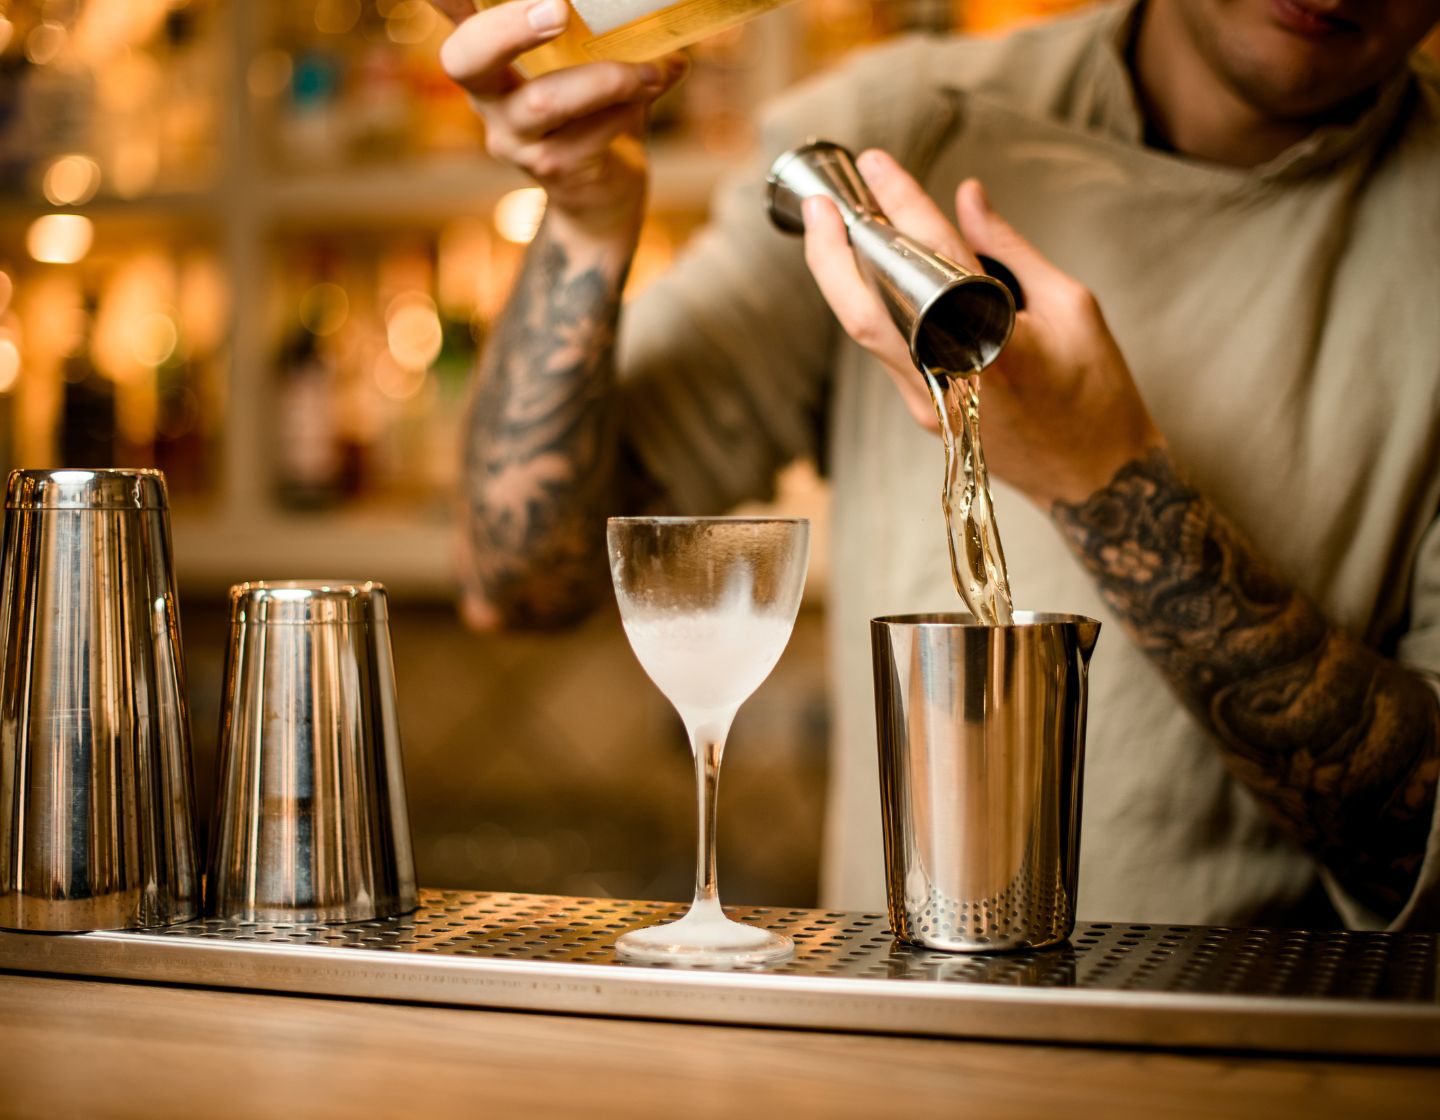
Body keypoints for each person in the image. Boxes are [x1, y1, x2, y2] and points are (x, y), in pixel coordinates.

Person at [439, 0, 1440, 928]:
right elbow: (522, 577)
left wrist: (1102, 475)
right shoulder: (896, 128)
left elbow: (1420, 851)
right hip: (901, 1057)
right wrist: (584, 216)